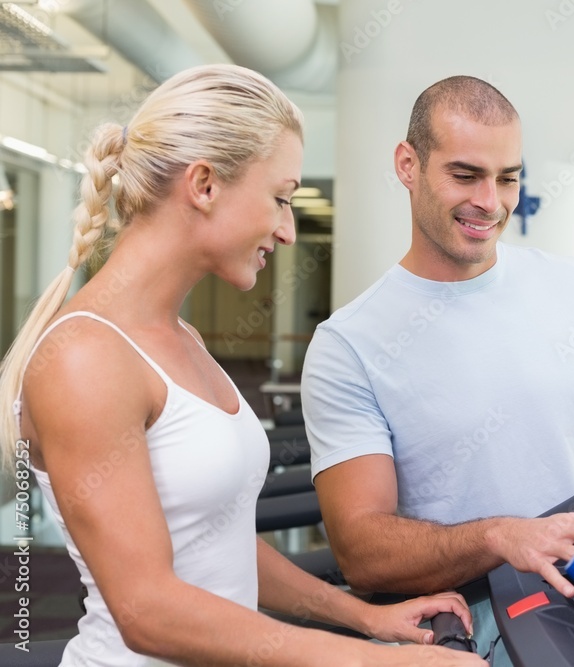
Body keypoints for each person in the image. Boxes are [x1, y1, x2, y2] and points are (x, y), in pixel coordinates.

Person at [0, 64, 485, 667]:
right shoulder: (84, 358)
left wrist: (363, 617)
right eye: (280, 198)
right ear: (204, 184)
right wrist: (371, 661)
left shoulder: (182, 338)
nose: (286, 229)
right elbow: (146, 610)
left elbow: (217, 542)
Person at [301, 75, 574, 657]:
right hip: (468, 634)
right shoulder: (349, 345)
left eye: (507, 178)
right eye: (464, 175)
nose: (490, 202)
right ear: (407, 165)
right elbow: (362, 548)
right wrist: (504, 535)